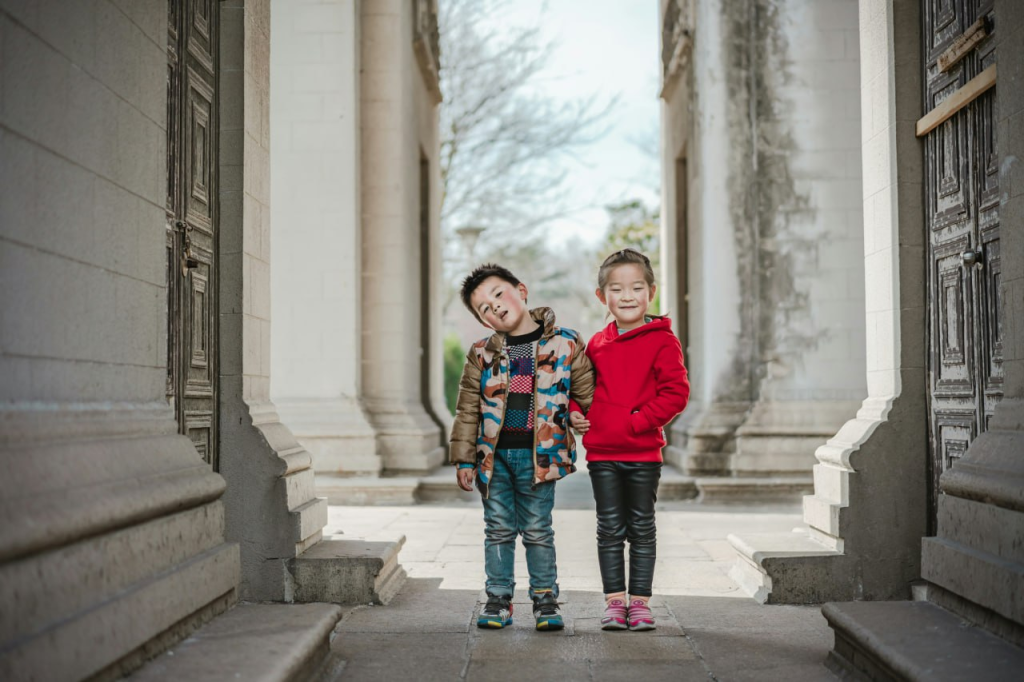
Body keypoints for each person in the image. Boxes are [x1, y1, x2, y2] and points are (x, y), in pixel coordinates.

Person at [450, 263, 595, 631]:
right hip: (492, 457)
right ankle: (498, 598)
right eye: (484, 307)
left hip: (540, 456)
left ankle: (545, 599)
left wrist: (578, 415)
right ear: (484, 322)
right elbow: (468, 406)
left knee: (536, 528)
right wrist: (463, 458)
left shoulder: (565, 342)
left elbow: (587, 394)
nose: (494, 306)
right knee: (497, 528)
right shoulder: (481, 353)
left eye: (498, 294)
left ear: (522, 290)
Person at [569, 248, 690, 631]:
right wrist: (576, 412)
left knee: (641, 527)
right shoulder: (596, 344)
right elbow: (582, 388)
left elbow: (675, 392)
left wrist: (639, 422)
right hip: (602, 453)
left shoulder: (662, 341)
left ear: (650, 292)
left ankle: (639, 602)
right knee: (609, 528)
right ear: (601, 296)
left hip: (642, 453)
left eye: (636, 287)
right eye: (617, 289)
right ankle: (614, 602)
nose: (627, 296)